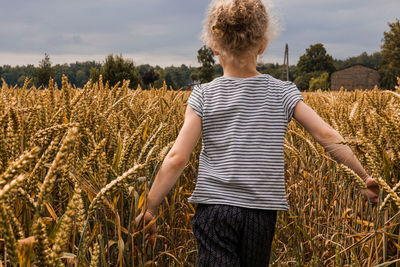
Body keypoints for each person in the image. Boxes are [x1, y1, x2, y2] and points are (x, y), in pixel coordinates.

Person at [135, 0, 380, 266]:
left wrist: (150, 205)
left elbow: (177, 158)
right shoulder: (283, 92)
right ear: (263, 44)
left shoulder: (203, 95)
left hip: (215, 210)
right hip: (261, 214)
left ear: (213, 46)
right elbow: (327, 136)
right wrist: (363, 175)